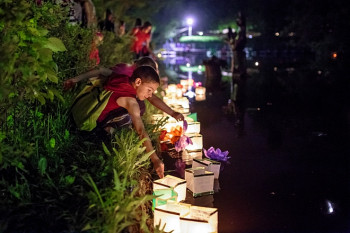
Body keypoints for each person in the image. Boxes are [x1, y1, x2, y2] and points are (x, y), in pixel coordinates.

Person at [64, 57, 184, 178]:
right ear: (138, 82)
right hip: (85, 127)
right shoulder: (131, 102)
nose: (150, 95)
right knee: (128, 119)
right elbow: (141, 131)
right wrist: (155, 159)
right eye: (149, 90)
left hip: (79, 112)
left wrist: (74, 80)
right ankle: (107, 132)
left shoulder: (122, 79)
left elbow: (100, 71)